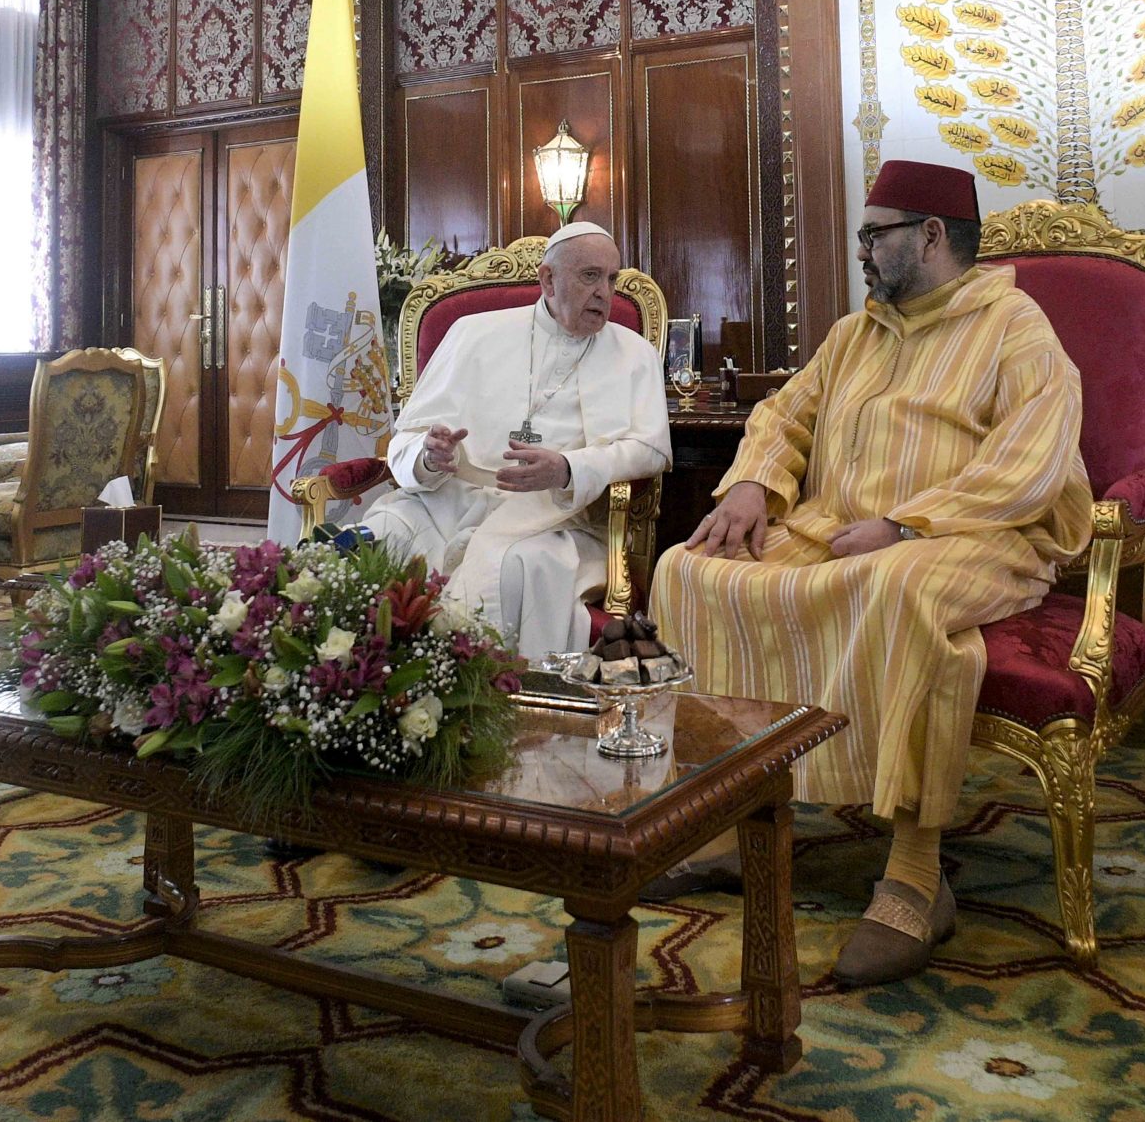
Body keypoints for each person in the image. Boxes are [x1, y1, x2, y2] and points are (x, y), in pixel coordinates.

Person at [647, 159, 1093, 986]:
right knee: (688, 567)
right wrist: (753, 480)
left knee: (900, 588)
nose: (860, 249)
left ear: (930, 235)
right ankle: (726, 819)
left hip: (974, 532)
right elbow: (787, 411)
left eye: (873, 233)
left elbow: (1033, 461)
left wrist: (903, 524)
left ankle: (917, 876)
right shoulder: (856, 332)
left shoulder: (1015, 325)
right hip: (842, 530)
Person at [358, 222, 670, 659]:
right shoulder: (473, 333)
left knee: (517, 567)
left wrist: (568, 468)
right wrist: (430, 457)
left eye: (612, 278)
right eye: (590, 276)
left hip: (559, 520)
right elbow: (407, 438)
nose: (605, 292)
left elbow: (652, 449)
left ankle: (498, 704)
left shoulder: (634, 353)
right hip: (450, 502)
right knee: (377, 536)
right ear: (548, 279)